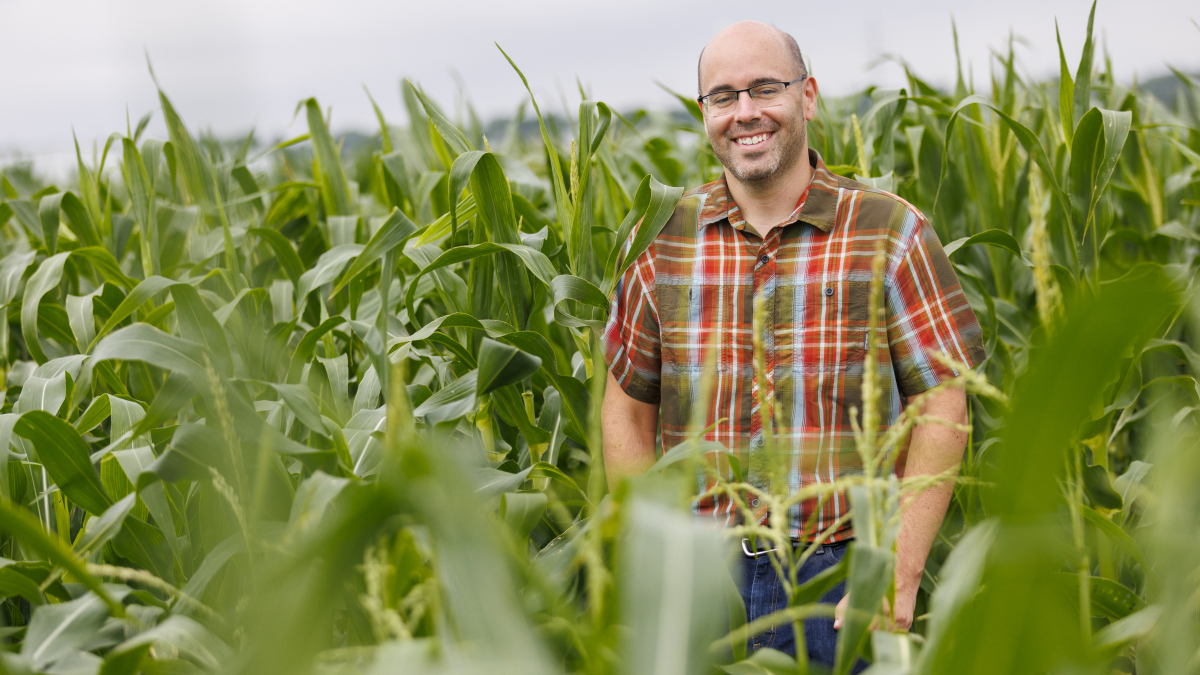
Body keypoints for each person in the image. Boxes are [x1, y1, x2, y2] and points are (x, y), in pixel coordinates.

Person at [600, 20, 986, 669]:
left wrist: (899, 567)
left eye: (764, 89)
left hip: (836, 580)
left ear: (806, 96)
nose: (744, 112)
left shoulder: (888, 231)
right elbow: (626, 411)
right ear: (704, 113)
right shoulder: (662, 238)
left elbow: (943, 405)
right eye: (723, 96)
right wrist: (652, 560)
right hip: (699, 580)